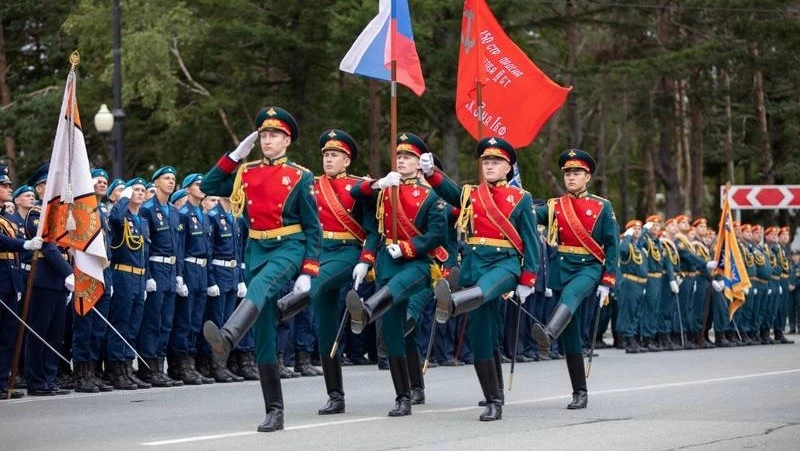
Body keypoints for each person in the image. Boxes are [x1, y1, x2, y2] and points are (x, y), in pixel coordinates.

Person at [202, 106, 321, 432]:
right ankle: (275, 411)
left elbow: (313, 226)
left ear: (287, 141)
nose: (267, 140)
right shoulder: (247, 172)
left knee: (264, 285)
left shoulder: (300, 176)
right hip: (256, 249)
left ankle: (227, 336)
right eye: (264, 135)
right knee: (265, 330)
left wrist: (308, 269)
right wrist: (236, 155)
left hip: (288, 246)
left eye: (274, 136)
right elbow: (209, 185)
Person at [422, 136, 538, 421]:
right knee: (481, 336)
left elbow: (532, 242)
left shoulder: (520, 198)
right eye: (486, 161)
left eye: (496, 161)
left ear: (508, 167)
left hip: (505, 266)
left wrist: (528, 279)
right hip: (475, 267)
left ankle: (449, 304)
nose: (489, 165)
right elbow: (450, 192)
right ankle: (492, 396)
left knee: (485, 291)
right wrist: (430, 174)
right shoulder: (472, 194)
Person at [272, 128, 376, 414]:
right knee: (326, 330)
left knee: (313, 285)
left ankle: (277, 310)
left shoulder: (358, 187)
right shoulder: (311, 185)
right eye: (327, 155)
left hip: (346, 254)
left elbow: (371, 229)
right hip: (319, 253)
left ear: (347, 161)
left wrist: (366, 259)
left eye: (335, 155)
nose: (329, 160)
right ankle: (335, 395)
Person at [345, 132, 447, 417]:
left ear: (419, 163)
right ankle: (404, 395)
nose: (402, 161)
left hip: (416, 264)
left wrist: (408, 247)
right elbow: (356, 197)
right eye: (399, 156)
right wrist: (378, 183)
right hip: (387, 264)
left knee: (399, 291)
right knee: (395, 333)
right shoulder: (385, 190)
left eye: (408, 157)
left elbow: (437, 234)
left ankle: (365, 311)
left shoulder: (431, 196)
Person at [530, 149, 619, 410]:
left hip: (588, 268)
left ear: (587, 176)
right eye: (567, 173)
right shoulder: (555, 205)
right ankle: (579, 391)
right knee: (571, 336)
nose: (571, 177)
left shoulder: (602, 206)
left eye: (576, 173)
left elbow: (612, 245)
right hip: (562, 269)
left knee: (571, 295)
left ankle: (547, 333)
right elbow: (530, 216)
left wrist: (608, 280)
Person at [138, 166, 185, 387]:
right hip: (155, 268)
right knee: (152, 321)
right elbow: (145, 246)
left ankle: (159, 364)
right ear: (155, 182)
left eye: (173, 179)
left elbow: (178, 246)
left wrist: (178, 275)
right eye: (166, 178)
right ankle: (148, 367)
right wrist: (147, 275)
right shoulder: (147, 209)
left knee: (166, 321)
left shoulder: (174, 212)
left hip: (171, 269)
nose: (171, 182)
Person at [0, 165, 44, 399]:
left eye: (8, 184)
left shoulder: (6, 218)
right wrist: (24, 244)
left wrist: (17, 284)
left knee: (8, 335)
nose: (8, 188)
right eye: (4, 185)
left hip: (10, 280)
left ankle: (2, 382)